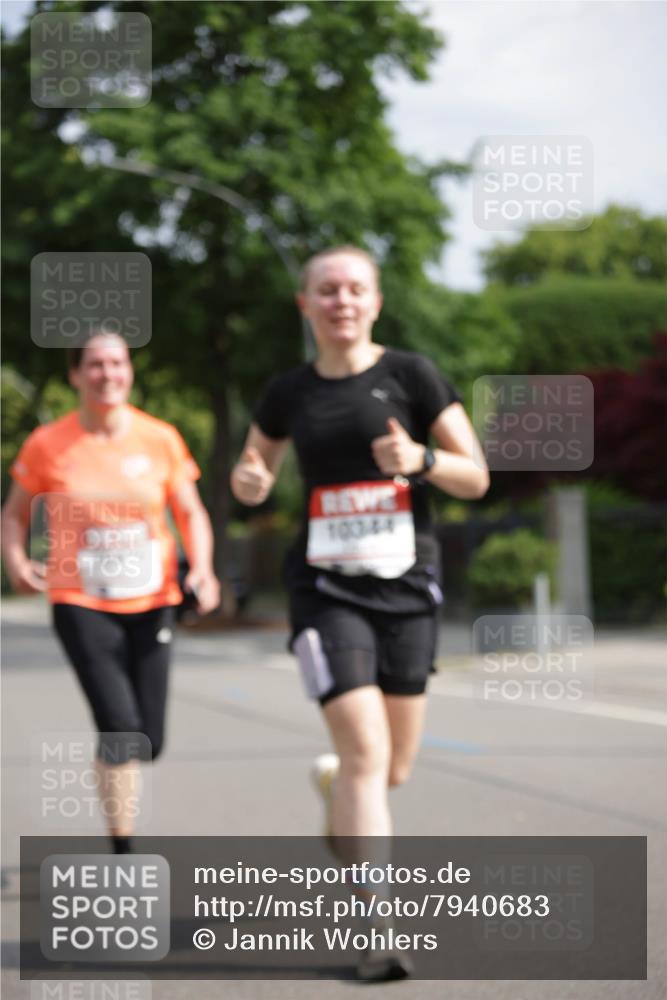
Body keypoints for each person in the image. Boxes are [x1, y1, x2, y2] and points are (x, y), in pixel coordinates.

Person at [231, 245, 489, 980]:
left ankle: (333, 788)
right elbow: (253, 476)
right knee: (366, 756)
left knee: (391, 768)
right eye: (326, 290)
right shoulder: (288, 391)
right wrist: (248, 480)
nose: (340, 300)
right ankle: (372, 926)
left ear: (374, 302)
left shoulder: (411, 375)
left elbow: (475, 477)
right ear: (304, 305)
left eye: (354, 289)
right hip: (324, 590)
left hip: (404, 590)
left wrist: (423, 462)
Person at [2, 331, 220, 852]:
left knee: (150, 741)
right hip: (81, 601)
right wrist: (15, 559)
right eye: (95, 365)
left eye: (117, 363)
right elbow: (14, 513)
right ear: (76, 375)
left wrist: (205, 569)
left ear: (130, 371)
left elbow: (189, 511)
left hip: (152, 599)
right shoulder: (48, 443)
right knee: (121, 727)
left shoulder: (160, 437)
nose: (107, 374)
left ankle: (115, 780)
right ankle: (123, 846)